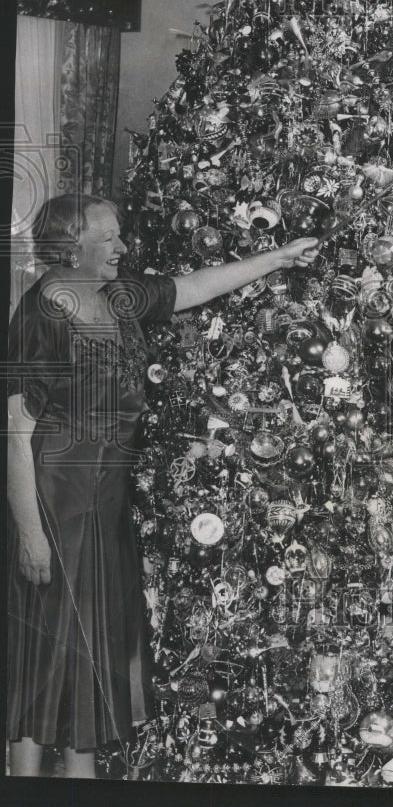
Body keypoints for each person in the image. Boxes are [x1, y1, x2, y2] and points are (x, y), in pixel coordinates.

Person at [6, 193, 320, 778]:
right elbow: (15, 430)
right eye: (110, 237)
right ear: (71, 244)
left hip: (105, 506)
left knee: (90, 655)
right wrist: (29, 531)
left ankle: (80, 776)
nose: (122, 247)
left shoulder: (118, 298)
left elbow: (193, 286)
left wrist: (276, 258)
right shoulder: (41, 313)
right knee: (44, 662)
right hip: (54, 503)